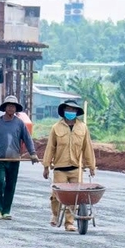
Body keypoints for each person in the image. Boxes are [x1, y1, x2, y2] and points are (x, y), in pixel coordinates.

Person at [0, 95, 36, 219]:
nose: (11, 108)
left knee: (10, 185)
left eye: (13, 106)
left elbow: (27, 139)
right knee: (0, 181)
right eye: (9, 106)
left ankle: (6, 210)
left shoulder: (19, 123)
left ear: (16, 109)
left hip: (14, 160)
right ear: (5, 108)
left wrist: (33, 154)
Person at [43, 98, 98, 230]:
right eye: (68, 109)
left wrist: (91, 166)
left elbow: (87, 148)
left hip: (76, 168)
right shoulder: (56, 128)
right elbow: (50, 147)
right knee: (57, 194)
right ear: (64, 111)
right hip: (60, 168)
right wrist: (46, 166)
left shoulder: (82, 128)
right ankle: (55, 215)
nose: (70, 112)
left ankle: (69, 222)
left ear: (76, 112)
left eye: (73, 110)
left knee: (74, 197)